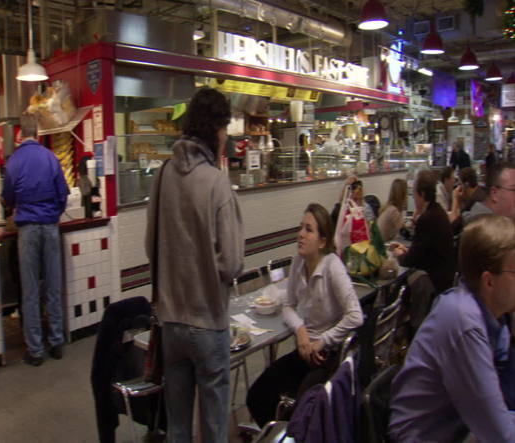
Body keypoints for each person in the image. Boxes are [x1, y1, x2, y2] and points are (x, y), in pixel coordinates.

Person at [145, 87, 244, 443]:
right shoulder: (217, 183)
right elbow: (232, 263)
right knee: (215, 427)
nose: (225, 137)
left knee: (178, 427)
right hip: (208, 322)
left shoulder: (163, 175)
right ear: (214, 129)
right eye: (224, 129)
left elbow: (149, 246)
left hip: (170, 321)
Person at [389, 214, 515, 442]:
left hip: (461, 429)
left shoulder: (495, 317)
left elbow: (507, 397)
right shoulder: (464, 323)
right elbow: (501, 435)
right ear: (489, 281)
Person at [246, 203, 363, 428]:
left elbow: (355, 316)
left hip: (327, 358)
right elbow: (288, 305)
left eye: (308, 229)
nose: (300, 234)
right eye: (301, 228)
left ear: (322, 241)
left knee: (303, 411)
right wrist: (300, 331)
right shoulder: (299, 261)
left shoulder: (332, 267)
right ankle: (279, 434)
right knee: (257, 396)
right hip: (304, 352)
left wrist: (322, 341)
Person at [1, 114, 69, 366]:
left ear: (21, 134)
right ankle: (57, 342)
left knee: (30, 291)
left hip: (27, 229)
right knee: (52, 286)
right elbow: (62, 192)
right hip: (50, 227)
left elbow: (7, 196)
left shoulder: (15, 161)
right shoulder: (50, 157)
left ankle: (35, 351)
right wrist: (52, 213)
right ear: (38, 133)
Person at [391, 169, 455, 294]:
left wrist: (399, 253)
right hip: (445, 278)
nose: (413, 198)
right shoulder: (438, 212)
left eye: (414, 193)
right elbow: (424, 251)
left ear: (422, 194)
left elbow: (410, 260)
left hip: (434, 284)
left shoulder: (427, 219)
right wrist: (408, 250)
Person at [449, 166, 487, 233]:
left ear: (466, 184)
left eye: (460, 184)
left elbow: (453, 226)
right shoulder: (479, 193)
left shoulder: (474, 202)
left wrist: (455, 199)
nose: (458, 188)